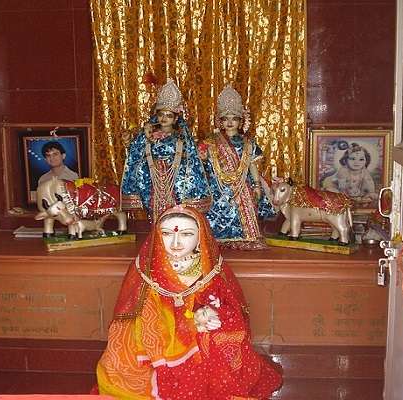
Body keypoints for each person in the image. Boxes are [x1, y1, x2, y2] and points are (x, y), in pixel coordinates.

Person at [95, 205, 282, 399]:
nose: (176, 242)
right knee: (125, 356)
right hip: (158, 329)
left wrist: (209, 314)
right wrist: (173, 327)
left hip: (199, 328)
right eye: (167, 234)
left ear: (200, 238)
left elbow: (227, 304)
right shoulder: (148, 269)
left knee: (216, 343)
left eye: (186, 234)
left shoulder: (210, 268)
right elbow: (142, 309)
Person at [121, 78, 211, 222]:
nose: (164, 118)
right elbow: (135, 154)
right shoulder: (149, 135)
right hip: (152, 180)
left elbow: (191, 160)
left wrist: (201, 158)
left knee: (175, 212)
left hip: (175, 182)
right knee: (154, 212)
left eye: (169, 115)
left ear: (176, 119)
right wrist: (137, 140)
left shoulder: (181, 138)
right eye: (161, 114)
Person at [198, 85, 276, 250]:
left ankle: (246, 236)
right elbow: (201, 164)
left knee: (244, 210)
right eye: (225, 118)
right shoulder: (210, 141)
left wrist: (256, 185)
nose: (230, 122)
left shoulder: (248, 143)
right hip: (216, 186)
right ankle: (214, 238)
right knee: (214, 212)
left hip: (241, 185)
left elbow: (252, 164)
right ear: (220, 121)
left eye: (234, 118)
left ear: (241, 121)